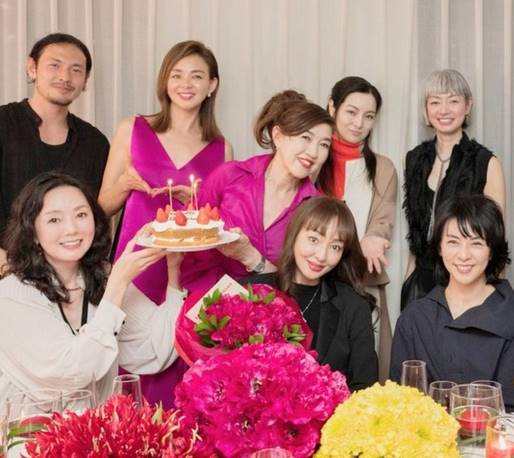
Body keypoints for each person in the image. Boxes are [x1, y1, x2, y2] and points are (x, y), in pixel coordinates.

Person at [98, 40, 231, 407]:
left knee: (182, 370)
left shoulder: (222, 148)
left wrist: (197, 203)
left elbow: (218, 223)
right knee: (131, 370)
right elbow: (102, 206)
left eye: (197, 76)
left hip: (189, 273)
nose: (186, 84)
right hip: (138, 268)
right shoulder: (132, 129)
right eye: (177, 75)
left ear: (212, 85)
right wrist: (125, 183)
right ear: (165, 81)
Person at [0, 172, 184, 405]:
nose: (71, 229)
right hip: (29, 426)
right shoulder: (12, 295)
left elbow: (154, 349)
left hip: (98, 426)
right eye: (54, 220)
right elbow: (70, 377)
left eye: (81, 215)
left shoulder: (101, 277)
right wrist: (117, 286)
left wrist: (174, 271)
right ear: (33, 233)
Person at [179, 90, 334, 293]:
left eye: (324, 145)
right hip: (206, 299)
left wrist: (251, 258)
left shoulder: (315, 208)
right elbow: (187, 235)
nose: (313, 152)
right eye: (306, 137)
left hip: (270, 307)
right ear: (278, 136)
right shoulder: (230, 175)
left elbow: (302, 287)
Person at [391, 194, 513, 412]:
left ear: (492, 250)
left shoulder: (509, 315)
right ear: (439, 247)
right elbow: (399, 405)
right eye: (453, 242)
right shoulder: (414, 318)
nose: (463, 255)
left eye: (476, 243)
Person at [245, 197, 378, 391]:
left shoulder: (354, 306)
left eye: (335, 247)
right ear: (294, 233)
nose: (322, 256)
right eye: (314, 239)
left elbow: (365, 388)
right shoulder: (251, 292)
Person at [0, 33, 109, 267]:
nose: (65, 77)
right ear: (32, 68)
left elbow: (95, 215)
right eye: (54, 65)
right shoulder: (3, 123)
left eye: (76, 70)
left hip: (71, 274)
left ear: (86, 80)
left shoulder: (95, 142)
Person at [402, 69, 505, 310]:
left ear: (468, 105)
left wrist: (494, 297)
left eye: (453, 101)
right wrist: (408, 281)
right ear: (426, 109)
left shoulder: (486, 162)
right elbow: (415, 231)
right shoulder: (414, 158)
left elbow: (495, 238)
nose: (444, 110)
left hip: (467, 282)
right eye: (435, 102)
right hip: (420, 284)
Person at [318, 76, 397, 381]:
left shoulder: (383, 167)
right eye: (351, 112)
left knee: (365, 371)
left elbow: (383, 218)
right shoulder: (312, 159)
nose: (359, 123)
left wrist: (375, 236)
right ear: (332, 107)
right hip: (315, 280)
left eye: (368, 116)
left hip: (363, 280)